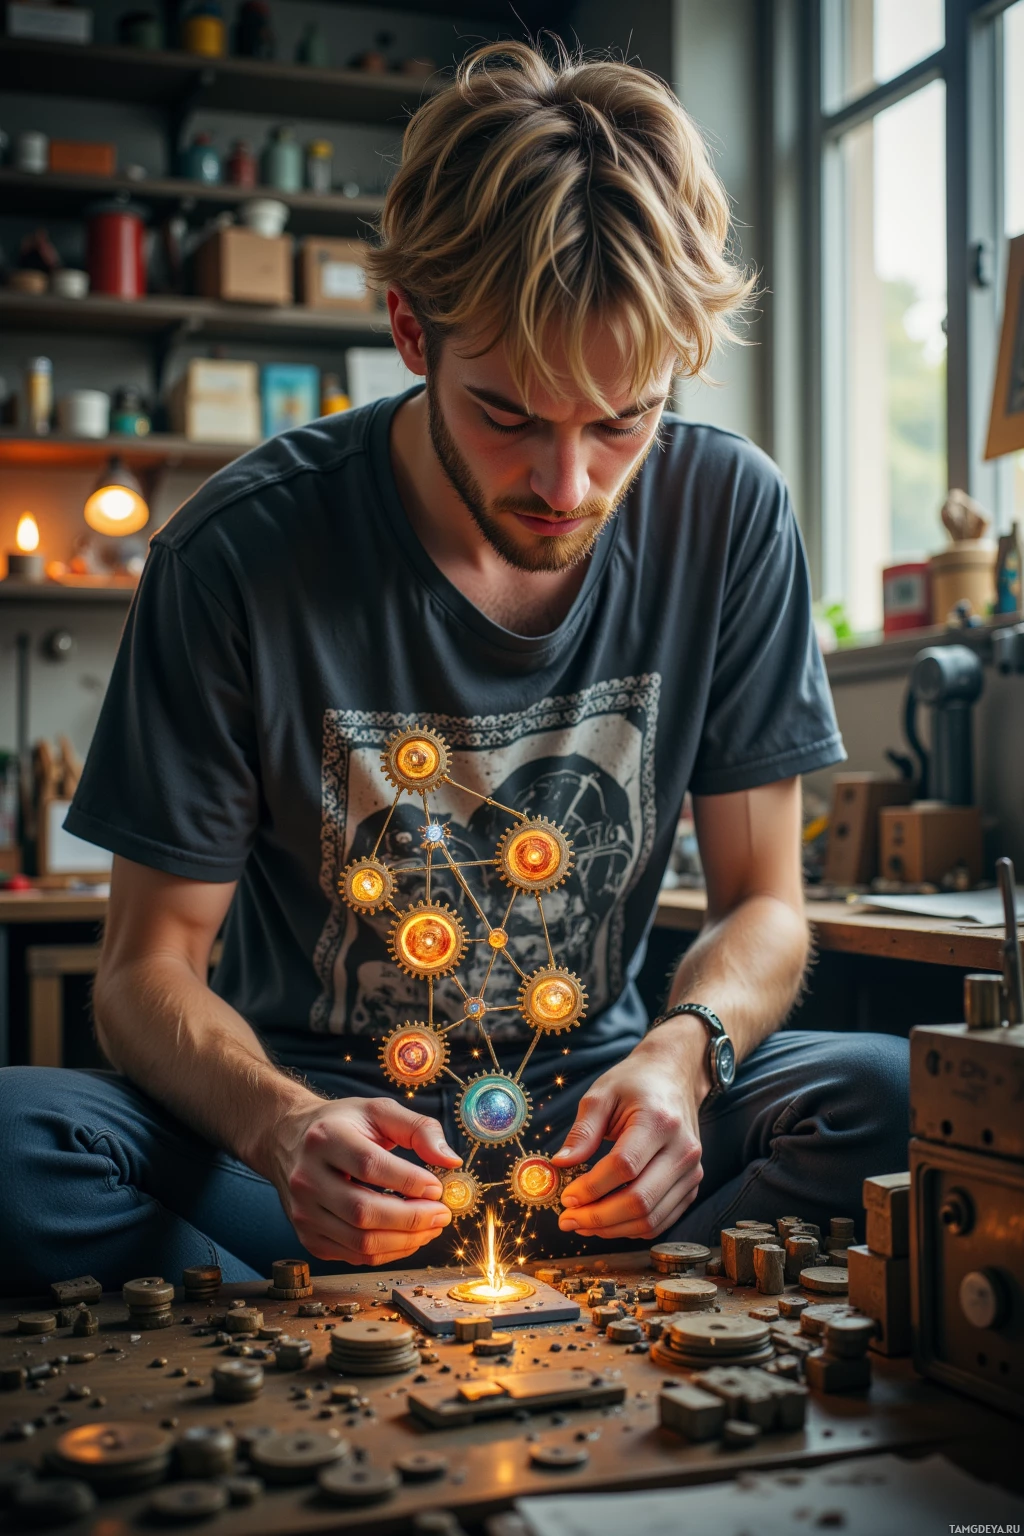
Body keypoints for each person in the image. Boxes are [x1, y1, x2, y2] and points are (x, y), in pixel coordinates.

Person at [0, 42, 908, 1294]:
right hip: (313, 1146)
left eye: (621, 419)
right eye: (510, 414)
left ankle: (390, 1314)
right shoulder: (235, 552)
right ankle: (415, 1296)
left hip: (596, 1128)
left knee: (899, 1099)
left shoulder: (731, 511)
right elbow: (145, 972)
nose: (568, 485)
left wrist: (681, 1058)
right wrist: (280, 1131)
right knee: (13, 1146)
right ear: (409, 331)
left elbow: (764, 902)